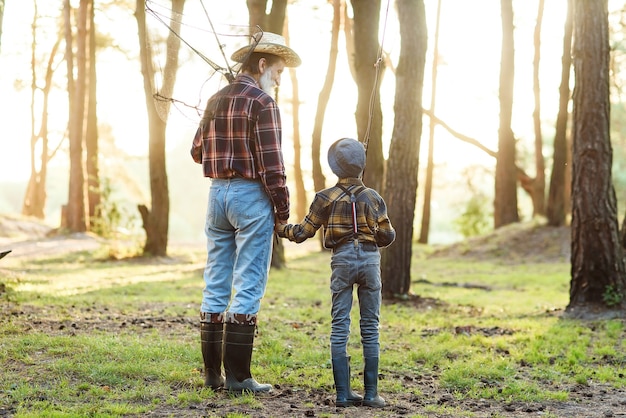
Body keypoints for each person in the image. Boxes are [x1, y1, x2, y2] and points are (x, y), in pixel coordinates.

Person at [190, 31, 301, 394]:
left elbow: (196, 152)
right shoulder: (263, 103)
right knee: (250, 281)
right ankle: (239, 377)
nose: (279, 81)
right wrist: (282, 211)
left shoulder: (215, 99)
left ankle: (212, 374)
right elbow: (273, 166)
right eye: (279, 73)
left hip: (215, 196)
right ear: (263, 64)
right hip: (249, 196)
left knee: (216, 280)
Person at [275, 138, 395, 408]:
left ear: (334, 168)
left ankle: (343, 394)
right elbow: (387, 235)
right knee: (370, 327)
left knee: (339, 326)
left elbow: (303, 232)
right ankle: (371, 395)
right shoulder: (373, 197)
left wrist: (280, 228)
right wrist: (374, 232)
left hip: (341, 261)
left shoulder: (324, 198)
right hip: (369, 262)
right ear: (362, 167)